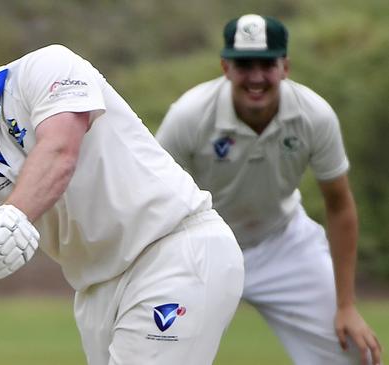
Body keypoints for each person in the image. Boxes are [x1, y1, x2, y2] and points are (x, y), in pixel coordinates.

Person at [0, 12, 244, 365]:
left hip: (173, 249)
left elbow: (59, 151)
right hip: (94, 290)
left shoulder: (46, 68)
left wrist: (13, 214)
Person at [156, 14, 383, 365]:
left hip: (282, 242)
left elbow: (339, 205)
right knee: (158, 346)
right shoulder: (188, 115)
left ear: (286, 67)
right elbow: (156, 199)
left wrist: (346, 305)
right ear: (226, 67)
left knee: (355, 352)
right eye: (245, 65)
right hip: (201, 249)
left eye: (267, 64)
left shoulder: (315, 116)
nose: (257, 77)